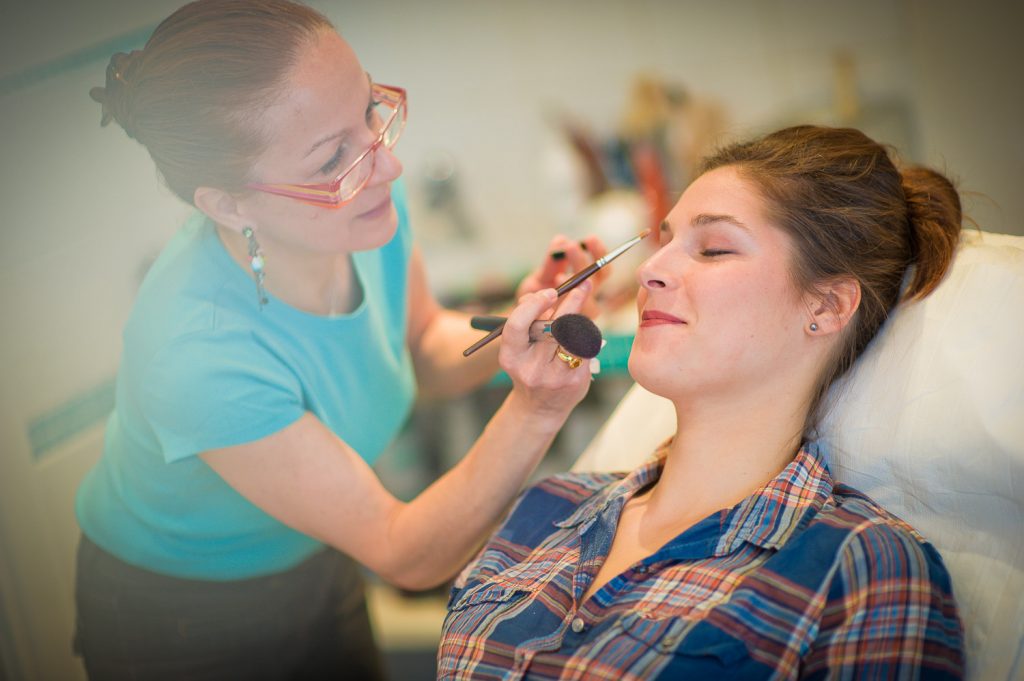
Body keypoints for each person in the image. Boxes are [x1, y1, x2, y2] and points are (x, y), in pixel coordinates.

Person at [73, 1, 607, 678]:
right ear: (230, 204)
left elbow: (419, 348)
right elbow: (401, 548)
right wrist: (536, 407)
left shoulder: (364, 203)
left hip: (312, 554)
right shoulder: (193, 354)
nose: (387, 166)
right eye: (333, 156)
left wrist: (518, 322)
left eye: (369, 115)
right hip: (176, 617)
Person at [438, 125, 966, 679]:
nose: (649, 269)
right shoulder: (548, 508)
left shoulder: (859, 567)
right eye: (664, 242)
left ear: (827, 306)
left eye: (713, 249)